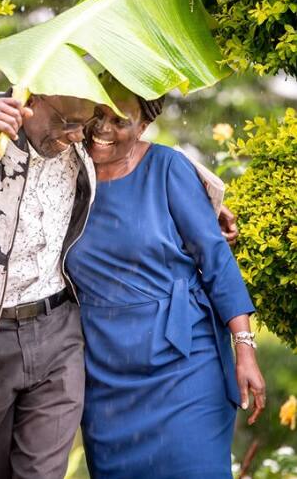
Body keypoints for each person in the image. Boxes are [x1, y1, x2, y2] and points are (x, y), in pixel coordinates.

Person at [0, 89, 239, 479]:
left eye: (84, 124)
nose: (80, 135)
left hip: (65, 335)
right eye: (72, 121)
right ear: (36, 99)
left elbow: (142, 160)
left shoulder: (90, 146)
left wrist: (206, 201)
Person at [65, 75, 266, 479]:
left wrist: (244, 348)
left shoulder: (168, 167)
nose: (103, 128)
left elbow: (215, 258)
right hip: (106, 377)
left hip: (184, 364)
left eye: (120, 120)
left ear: (142, 127)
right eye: (98, 113)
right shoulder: (67, 178)